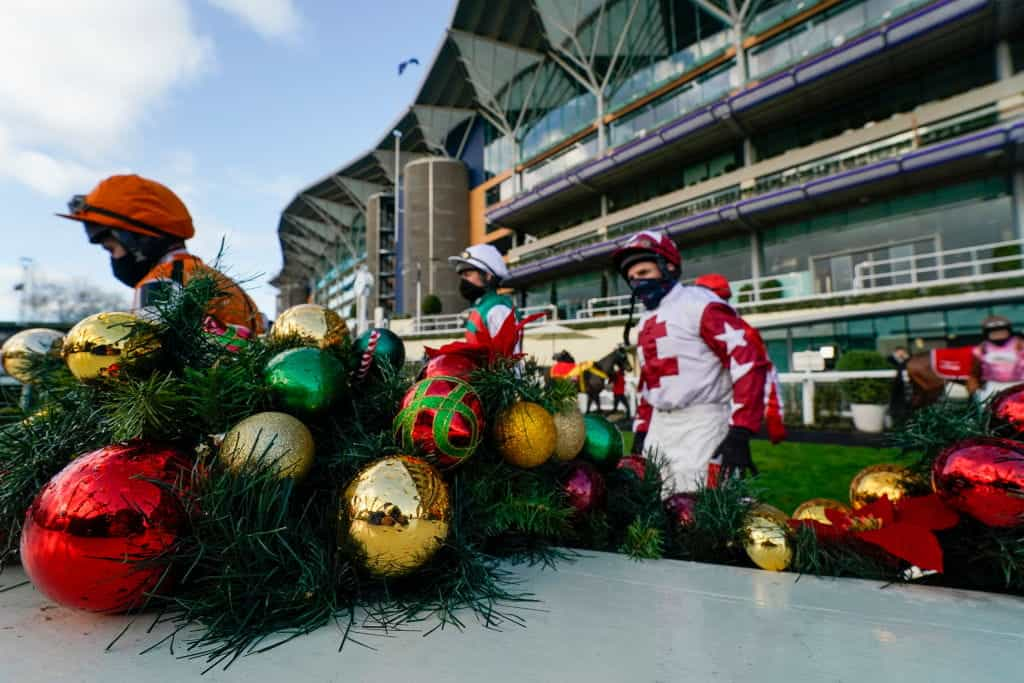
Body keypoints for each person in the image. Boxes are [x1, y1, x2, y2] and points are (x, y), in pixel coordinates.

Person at [614, 232, 770, 491]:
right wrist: (642, 430)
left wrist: (741, 430)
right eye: (631, 278)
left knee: (700, 515)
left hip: (703, 424)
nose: (637, 282)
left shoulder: (700, 304)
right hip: (659, 429)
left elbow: (747, 359)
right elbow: (649, 381)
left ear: (668, 266)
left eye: (643, 273)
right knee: (653, 511)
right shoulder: (644, 322)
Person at [59, 174, 264, 333]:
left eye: (111, 248)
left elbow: (151, 366)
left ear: (137, 240)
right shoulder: (218, 279)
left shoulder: (162, 283)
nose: (114, 258)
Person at [695, 273, 786, 444]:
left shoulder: (741, 331)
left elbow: (763, 370)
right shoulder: (690, 328)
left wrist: (773, 416)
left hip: (720, 416)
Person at [448, 244, 521, 349]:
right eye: (462, 276)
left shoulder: (498, 309)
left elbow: (510, 360)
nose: (463, 280)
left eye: (468, 274)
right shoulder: (483, 307)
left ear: (488, 276)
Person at [967, 315, 1024, 401]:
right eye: (994, 332)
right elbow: (974, 374)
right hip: (992, 388)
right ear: (986, 333)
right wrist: (974, 392)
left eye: (1002, 330)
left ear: (1009, 330)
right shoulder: (981, 349)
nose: (998, 334)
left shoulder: (1020, 345)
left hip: (1019, 386)